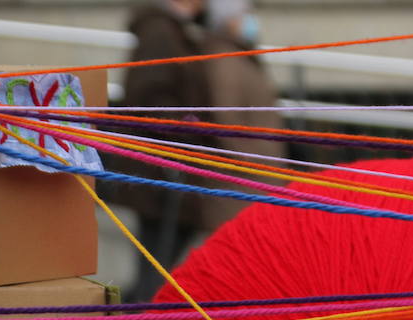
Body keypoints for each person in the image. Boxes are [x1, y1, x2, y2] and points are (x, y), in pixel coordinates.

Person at [111, 0, 285, 299]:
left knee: (161, 270)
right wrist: (189, 127)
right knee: (156, 272)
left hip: (176, 173)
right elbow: (149, 98)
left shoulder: (180, 32)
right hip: (164, 174)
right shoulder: (162, 32)